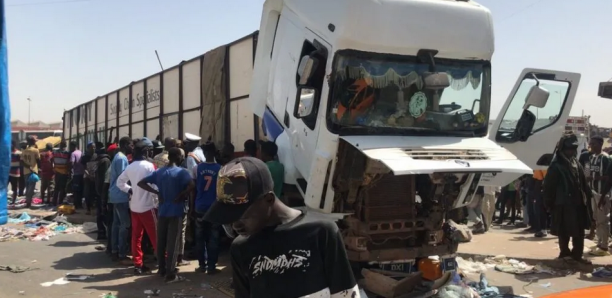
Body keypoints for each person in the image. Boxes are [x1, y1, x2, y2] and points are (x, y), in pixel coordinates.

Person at [204, 157, 360, 297]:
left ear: (269, 199)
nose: (235, 225)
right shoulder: (242, 248)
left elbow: (345, 293)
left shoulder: (321, 233)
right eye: (230, 219)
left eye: (241, 216)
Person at [138, 148, 195, 283]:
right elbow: (192, 185)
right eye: (182, 156)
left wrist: (156, 193)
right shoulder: (182, 172)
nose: (183, 158)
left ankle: (161, 269)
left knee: (161, 240)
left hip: (162, 210)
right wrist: (182, 195)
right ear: (178, 157)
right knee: (173, 242)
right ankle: (170, 273)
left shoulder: (159, 172)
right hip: (176, 211)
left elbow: (141, 183)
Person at [544, 134, 592, 264]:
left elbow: (583, 182)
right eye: (568, 148)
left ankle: (577, 255)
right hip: (563, 204)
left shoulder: (576, 163)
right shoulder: (556, 166)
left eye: (573, 148)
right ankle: (564, 253)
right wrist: (548, 203)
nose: (571, 151)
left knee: (579, 230)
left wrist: (589, 195)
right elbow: (549, 187)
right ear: (562, 149)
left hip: (578, 203)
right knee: (564, 230)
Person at [117, 138, 158, 274]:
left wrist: (130, 190)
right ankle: (163, 261)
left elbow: (120, 183)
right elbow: (155, 185)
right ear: (146, 152)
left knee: (136, 237)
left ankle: (138, 264)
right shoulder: (150, 166)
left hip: (134, 206)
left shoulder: (130, 166)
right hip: (148, 206)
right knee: (156, 235)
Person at [193, 141, 222, 274]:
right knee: (213, 236)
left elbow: (193, 189)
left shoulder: (196, 168)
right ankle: (211, 266)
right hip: (214, 207)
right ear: (214, 153)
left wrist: (193, 205)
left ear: (204, 153)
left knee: (200, 237)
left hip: (200, 206)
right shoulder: (220, 169)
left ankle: (201, 265)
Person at [109, 137, 133, 264]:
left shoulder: (118, 156)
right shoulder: (122, 158)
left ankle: (114, 251)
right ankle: (122, 254)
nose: (132, 147)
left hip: (115, 194)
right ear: (124, 145)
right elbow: (123, 178)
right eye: (130, 144)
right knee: (125, 225)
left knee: (117, 224)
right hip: (120, 194)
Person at [585, 136, 611, 256]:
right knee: (596, 218)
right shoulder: (592, 157)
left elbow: (608, 177)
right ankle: (600, 242)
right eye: (590, 144)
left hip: (602, 194)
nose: (591, 147)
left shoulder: (605, 159)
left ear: (600, 144)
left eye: (594, 144)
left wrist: (594, 178)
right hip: (594, 192)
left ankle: (604, 245)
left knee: (603, 219)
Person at [95, 145, 112, 241]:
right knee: (103, 213)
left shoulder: (100, 161)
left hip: (99, 190)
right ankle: (103, 232)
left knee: (100, 213)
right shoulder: (106, 161)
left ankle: (101, 232)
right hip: (102, 191)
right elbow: (105, 179)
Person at [21, 136, 40, 208]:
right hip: (33, 171)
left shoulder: (24, 150)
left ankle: (27, 201)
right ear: (32, 142)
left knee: (27, 187)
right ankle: (28, 203)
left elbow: (22, 161)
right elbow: (38, 161)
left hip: (25, 171)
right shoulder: (35, 150)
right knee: (31, 188)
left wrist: (28, 167)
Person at [81, 142, 98, 215]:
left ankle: (95, 207)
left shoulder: (97, 156)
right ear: (88, 148)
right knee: (87, 193)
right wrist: (89, 175)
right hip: (87, 177)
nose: (93, 149)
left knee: (95, 193)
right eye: (91, 147)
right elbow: (83, 168)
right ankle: (88, 209)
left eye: (94, 147)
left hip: (95, 177)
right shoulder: (84, 157)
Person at [52, 141, 71, 206]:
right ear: (65, 146)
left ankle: (54, 202)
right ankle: (60, 201)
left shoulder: (55, 152)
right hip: (64, 172)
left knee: (56, 187)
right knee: (62, 188)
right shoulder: (67, 153)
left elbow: (52, 160)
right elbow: (69, 163)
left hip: (57, 172)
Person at [532, 169, 548, 238]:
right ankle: (542, 229)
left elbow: (538, 178)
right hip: (542, 191)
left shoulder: (540, 168)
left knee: (541, 212)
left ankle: (542, 229)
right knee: (542, 212)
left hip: (541, 191)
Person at [69, 141, 84, 209]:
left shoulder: (73, 153)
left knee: (75, 190)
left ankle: (76, 204)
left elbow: (72, 163)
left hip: (76, 174)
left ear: (73, 146)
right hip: (82, 174)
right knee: (80, 190)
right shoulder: (81, 152)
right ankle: (80, 204)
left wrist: (70, 171)